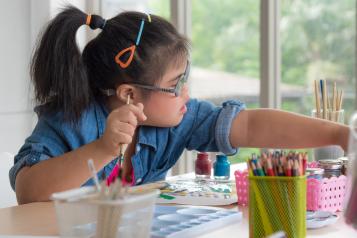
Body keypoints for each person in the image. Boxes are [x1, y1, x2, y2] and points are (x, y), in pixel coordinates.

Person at [10, 5, 349, 204]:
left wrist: (340, 133)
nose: (185, 95)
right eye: (175, 86)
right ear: (129, 94)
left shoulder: (176, 120)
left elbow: (250, 125)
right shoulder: (71, 119)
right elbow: (28, 191)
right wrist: (102, 148)